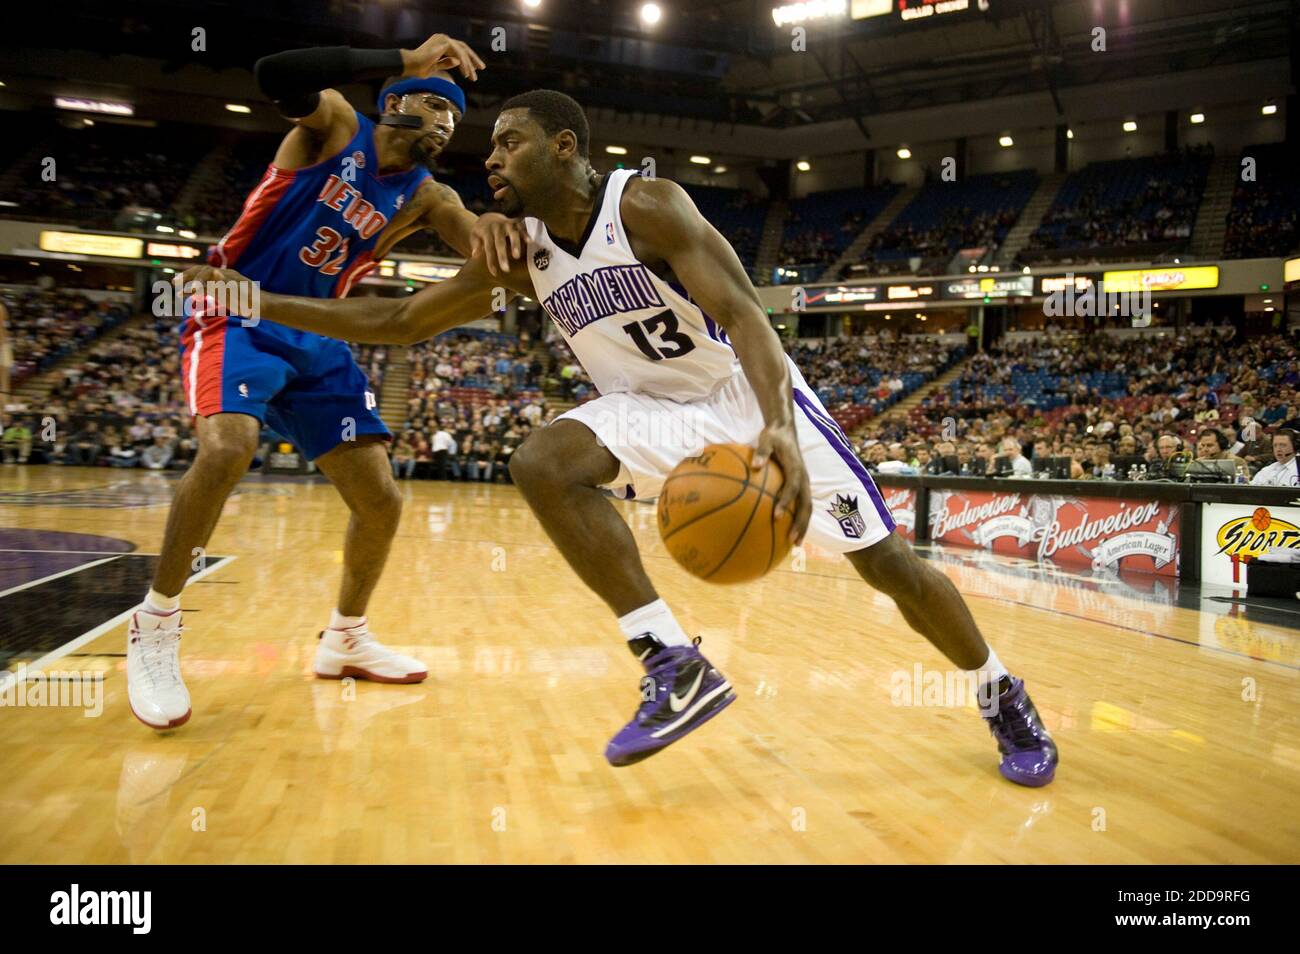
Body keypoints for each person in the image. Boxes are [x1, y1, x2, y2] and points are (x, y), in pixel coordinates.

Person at [183, 89, 1056, 786]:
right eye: (486, 147)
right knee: (542, 462)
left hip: (747, 395)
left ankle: (999, 690)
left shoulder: (646, 206)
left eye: (509, 142)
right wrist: (252, 301)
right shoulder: (519, 250)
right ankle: (672, 661)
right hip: (645, 407)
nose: (488, 158)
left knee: (888, 567)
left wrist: (781, 433)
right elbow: (407, 320)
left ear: (564, 147)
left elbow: (749, 319)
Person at [127, 33, 502, 731]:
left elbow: (477, 236)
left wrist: (522, 240)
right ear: (396, 103)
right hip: (235, 308)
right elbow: (273, 66)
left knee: (381, 500)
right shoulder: (333, 125)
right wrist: (402, 56)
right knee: (226, 448)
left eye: (457, 117)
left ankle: (345, 638)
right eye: (436, 103)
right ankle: (155, 625)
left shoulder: (426, 194)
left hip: (317, 333)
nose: (449, 121)